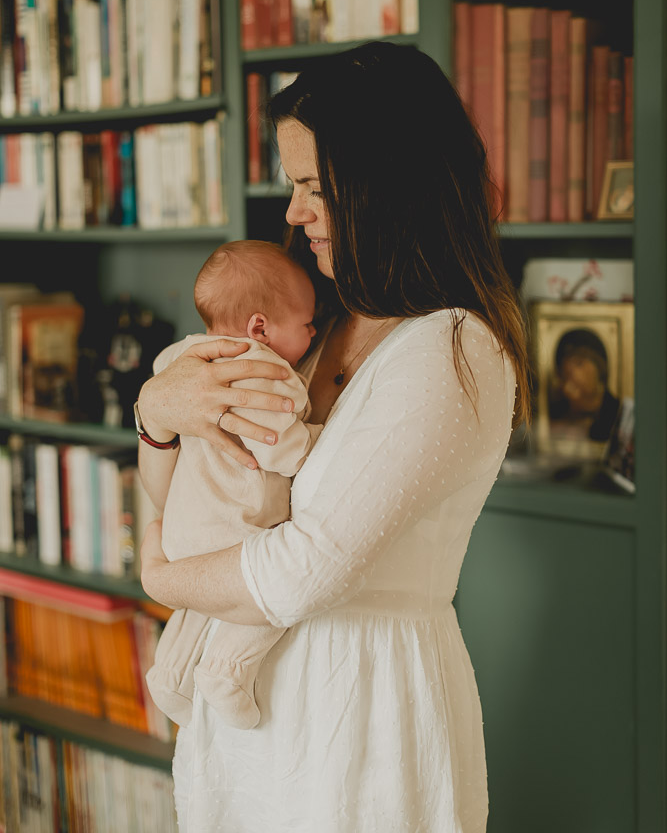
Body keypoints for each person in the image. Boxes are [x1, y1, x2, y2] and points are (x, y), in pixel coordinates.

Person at [137, 41, 530, 833]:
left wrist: (156, 571)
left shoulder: (454, 350)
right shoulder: (310, 321)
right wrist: (153, 412)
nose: (292, 212)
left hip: (358, 707)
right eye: (292, 185)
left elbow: (305, 570)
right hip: (250, 708)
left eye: (314, 187)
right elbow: (198, 453)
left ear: (389, 185)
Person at [144, 239, 320, 730]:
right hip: (234, 530)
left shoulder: (187, 355)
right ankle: (227, 671)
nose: (313, 330)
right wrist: (326, 435)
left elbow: (159, 380)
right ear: (259, 327)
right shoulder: (263, 372)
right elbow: (282, 447)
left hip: (185, 529)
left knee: (199, 611)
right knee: (266, 599)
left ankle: (171, 673)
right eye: (308, 323)